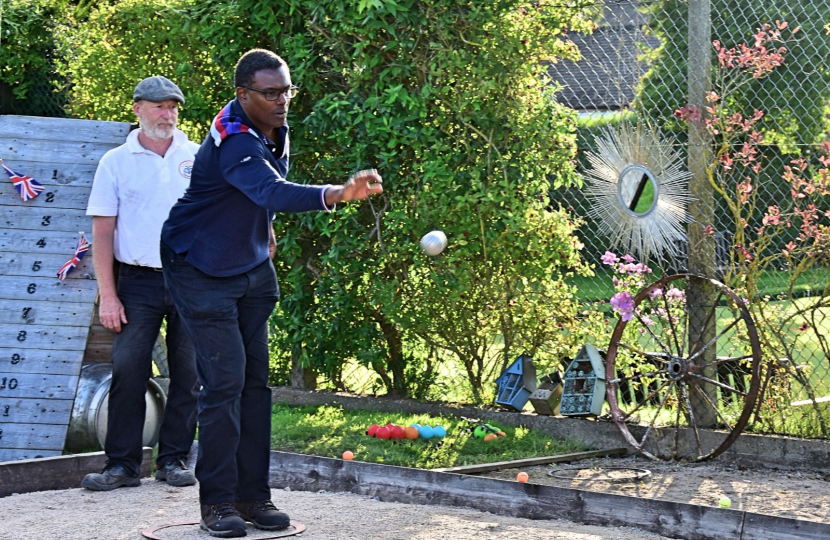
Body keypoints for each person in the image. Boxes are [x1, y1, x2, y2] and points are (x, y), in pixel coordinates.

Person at [160, 49, 383, 537]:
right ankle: (217, 504)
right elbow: (271, 190)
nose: (282, 101)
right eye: (271, 93)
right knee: (224, 385)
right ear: (244, 95)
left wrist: (265, 233)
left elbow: (259, 199)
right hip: (198, 266)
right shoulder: (235, 140)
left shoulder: (272, 125)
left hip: (251, 266)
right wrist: (338, 194)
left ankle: (252, 497)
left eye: (286, 90)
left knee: (256, 384)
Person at [82, 76, 200, 491]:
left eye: (173, 107)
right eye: (158, 106)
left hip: (191, 278)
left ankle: (173, 461)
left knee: (189, 372)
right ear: (137, 109)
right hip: (136, 280)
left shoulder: (198, 156)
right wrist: (108, 295)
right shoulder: (115, 161)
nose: (167, 114)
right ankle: (122, 465)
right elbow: (101, 232)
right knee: (128, 368)